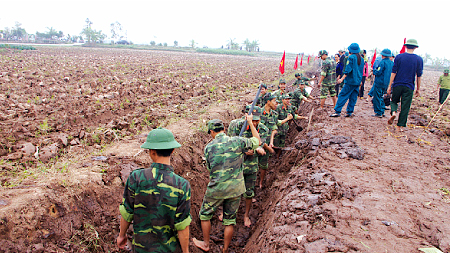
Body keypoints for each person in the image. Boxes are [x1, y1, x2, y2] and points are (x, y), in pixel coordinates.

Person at [117, 128, 191, 253]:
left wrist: (121, 236)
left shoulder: (135, 178)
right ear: (173, 150)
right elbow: (182, 226)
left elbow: (127, 213)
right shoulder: (182, 185)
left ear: (151, 152)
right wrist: (186, 251)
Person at [193, 118, 261, 253]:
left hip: (217, 188)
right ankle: (225, 249)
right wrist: (250, 123)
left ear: (212, 132)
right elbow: (257, 141)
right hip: (236, 188)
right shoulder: (237, 141)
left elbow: (209, 168)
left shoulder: (208, 148)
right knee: (229, 220)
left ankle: (206, 244)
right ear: (224, 129)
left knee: (205, 215)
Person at [227, 106, 268, 228]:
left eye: (257, 120)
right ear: (246, 115)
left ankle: (246, 215)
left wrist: (256, 151)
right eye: (252, 120)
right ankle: (227, 213)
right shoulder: (236, 125)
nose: (255, 123)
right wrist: (244, 151)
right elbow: (229, 144)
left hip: (251, 167)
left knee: (249, 193)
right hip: (236, 165)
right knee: (231, 190)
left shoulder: (263, 129)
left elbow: (260, 144)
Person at [386, 39, 423, 131]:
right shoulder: (419, 59)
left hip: (398, 84)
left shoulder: (399, 57)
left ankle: (394, 112)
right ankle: (400, 126)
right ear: (415, 47)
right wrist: (418, 89)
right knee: (405, 106)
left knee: (394, 101)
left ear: (406, 46)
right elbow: (419, 76)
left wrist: (390, 85)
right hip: (409, 86)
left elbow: (393, 72)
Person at [330, 43, 364, 117]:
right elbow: (361, 71)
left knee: (342, 95)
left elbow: (348, 70)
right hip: (357, 81)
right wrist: (360, 81)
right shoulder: (361, 59)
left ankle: (337, 111)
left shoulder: (351, 58)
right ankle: (349, 112)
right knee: (353, 97)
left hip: (350, 81)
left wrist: (342, 79)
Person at [259, 93, 280, 188]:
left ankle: (260, 182)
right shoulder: (258, 112)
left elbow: (273, 129)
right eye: (274, 101)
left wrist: (271, 142)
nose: (276, 103)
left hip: (267, 143)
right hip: (257, 143)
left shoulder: (274, 114)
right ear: (268, 102)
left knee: (264, 164)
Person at [372, 48, 394, 117]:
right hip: (387, 83)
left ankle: (378, 112)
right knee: (382, 97)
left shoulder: (382, 62)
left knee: (377, 97)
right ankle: (382, 111)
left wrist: (374, 71)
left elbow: (378, 72)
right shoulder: (392, 63)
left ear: (383, 55)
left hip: (379, 82)